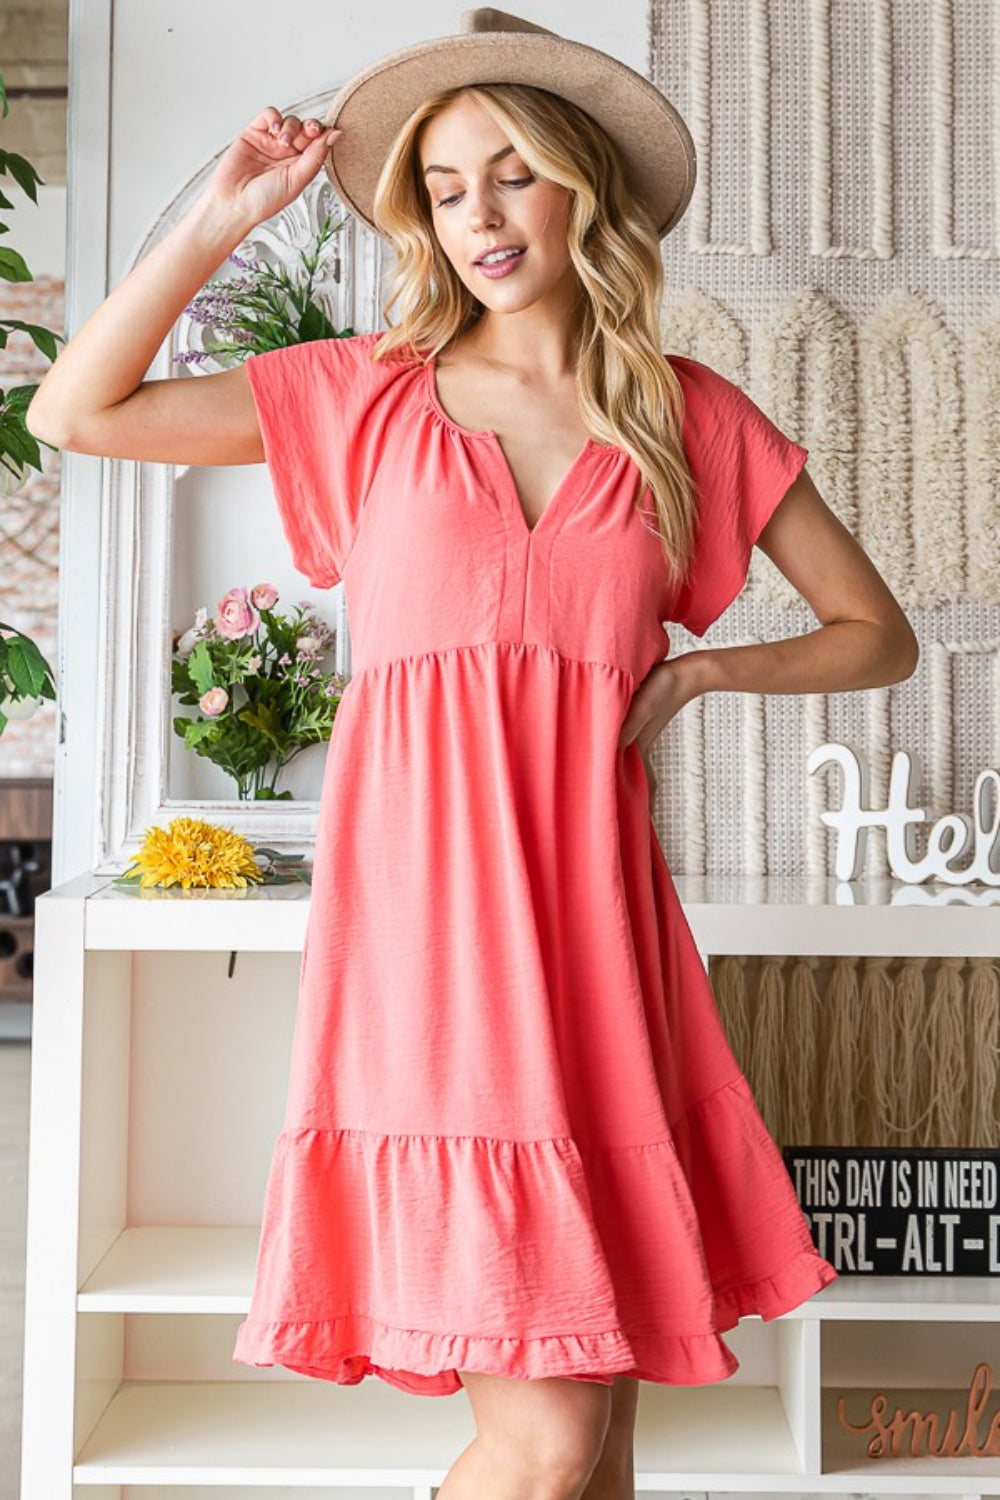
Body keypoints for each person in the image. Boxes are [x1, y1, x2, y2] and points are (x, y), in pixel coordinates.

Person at [27, 10, 919, 1499]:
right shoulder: (363, 393)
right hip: (430, 958)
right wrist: (225, 216)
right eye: (446, 190)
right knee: (547, 1438)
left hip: (600, 944)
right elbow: (75, 409)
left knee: (602, 1441)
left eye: (513, 176)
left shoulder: (686, 418)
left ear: (584, 191)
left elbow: (874, 635)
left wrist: (700, 672)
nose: (482, 219)